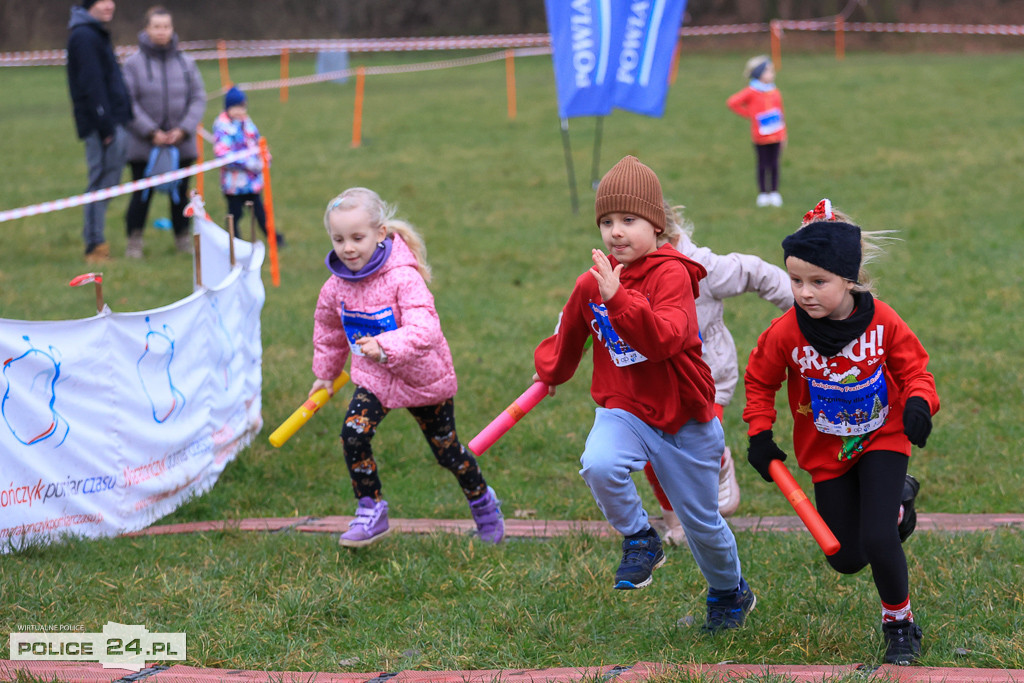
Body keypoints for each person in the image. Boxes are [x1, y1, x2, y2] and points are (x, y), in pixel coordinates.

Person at [532, 156, 755, 632]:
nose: (616, 231)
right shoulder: (591, 284)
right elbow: (570, 334)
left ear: (656, 226)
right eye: (607, 221)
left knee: (702, 526)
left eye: (629, 220)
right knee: (599, 462)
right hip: (626, 409)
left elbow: (665, 339)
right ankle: (639, 537)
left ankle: (729, 592)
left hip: (686, 417)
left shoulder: (672, 275)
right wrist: (550, 372)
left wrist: (619, 299)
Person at [743, 198, 938, 665]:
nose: (805, 292)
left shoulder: (882, 321)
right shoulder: (786, 332)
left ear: (848, 279)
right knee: (845, 557)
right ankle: (899, 503)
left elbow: (917, 371)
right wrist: (759, 434)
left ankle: (900, 624)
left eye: (818, 282)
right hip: (824, 451)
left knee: (876, 538)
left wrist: (918, 405)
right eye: (795, 280)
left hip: (881, 439)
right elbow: (759, 380)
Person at [311, 187, 502, 548]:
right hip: (375, 380)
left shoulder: (403, 277)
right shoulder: (335, 287)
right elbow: (329, 330)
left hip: (422, 379)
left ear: (380, 233)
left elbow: (426, 330)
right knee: (353, 435)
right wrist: (325, 372)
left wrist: (383, 346)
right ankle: (371, 508)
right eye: (338, 239)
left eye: (357, 238)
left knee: (448, 453)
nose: (347, 248)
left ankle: (484, 504)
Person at [643, 201, 793, 544]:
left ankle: (719, 459)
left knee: (696, 445)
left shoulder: (700, 267)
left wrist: (802, 308)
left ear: (660, 232)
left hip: (704, 376)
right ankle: (675, 521)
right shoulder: (620, 270)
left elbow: (756, 271)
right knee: (655, 457)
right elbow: (585, 308)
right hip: (651, 383)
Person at [122, 6, 206, 258]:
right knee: (141, 196)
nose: (162, 31)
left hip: (181, 143)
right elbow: (128, 102)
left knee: (180, 195)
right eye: (156, 26)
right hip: (144, 145)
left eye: (166, 26)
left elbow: (198, 97)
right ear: (147, 29)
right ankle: (134, 242)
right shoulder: (132, 64)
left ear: (172, 29)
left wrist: (182, 129)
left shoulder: (186, 63)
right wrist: (151, 132)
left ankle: (182, 239)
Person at [66, 0, 132, 263]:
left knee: (109, 183)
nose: (110, 5)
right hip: (102, 126)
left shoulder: (95, 32)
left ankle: (97, 240)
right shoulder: (83, 36)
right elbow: (91, 83)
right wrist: (105, 125)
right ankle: (95, 246)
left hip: (113, 121)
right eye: (102, 1)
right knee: (100, 183)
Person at [212, 87, 284, 246]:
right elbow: (223, 154)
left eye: (242, 107)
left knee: (260, 212)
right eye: (235, 108)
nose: (239, 111)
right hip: (233, 184)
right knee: (234, 215)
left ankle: (274, 238)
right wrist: (247, 164)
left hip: (252, 183)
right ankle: (234, 243)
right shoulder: (222, 126)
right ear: (227, 108)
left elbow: (258, 142)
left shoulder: (247, 123)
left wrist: (264, 160)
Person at [727, 55, 786, 208]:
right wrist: (750, 115)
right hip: (760, 137)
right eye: (769, 71)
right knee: (762, 164)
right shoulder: (751, 92)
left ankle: (774, 192)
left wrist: (783, 134)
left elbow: (780, 113)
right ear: (759, 74)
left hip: (776, 136)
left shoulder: (774, 92)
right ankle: (763, 194)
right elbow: (733, 102)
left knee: (774, 164)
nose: (772, 75)